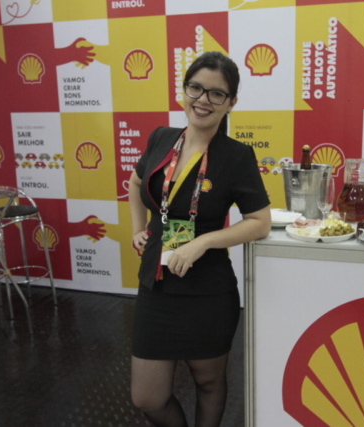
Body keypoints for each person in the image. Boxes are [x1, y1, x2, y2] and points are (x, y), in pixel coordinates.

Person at [128, 51, 271, 427]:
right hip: (157, 285)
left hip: (208, 290)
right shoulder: (161, 138)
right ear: (184, 90)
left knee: (208, 382)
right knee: (147, 397)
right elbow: (136, 181)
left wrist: (202, 242)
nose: (203, 99)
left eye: (216, 93)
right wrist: (138, 228)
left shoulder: (236, 156)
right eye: (195, 88)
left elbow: (259, 223)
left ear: (231, 102)